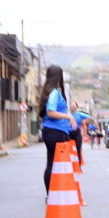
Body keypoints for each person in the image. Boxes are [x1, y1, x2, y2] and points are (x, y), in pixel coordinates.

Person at [38, 65, 77, 197]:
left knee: (52, 163)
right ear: (58, 77)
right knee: (56, 164)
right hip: (56, 132)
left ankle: (52, 194)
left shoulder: (50, 91)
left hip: (53, 131)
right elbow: (50, 112)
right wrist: (69, 116)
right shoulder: (54, 93)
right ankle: (53, 194)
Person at [69, 102, 91, 168]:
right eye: (72, 105)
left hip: (77, 132)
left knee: (78, 149)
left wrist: (84, 121)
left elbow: (89, 117)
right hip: (68, 132)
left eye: (74, 105)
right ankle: (69, 165)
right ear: (70, 106)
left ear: (76, 107)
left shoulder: (79, 114)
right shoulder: (67, 114)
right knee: (68, 149)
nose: (73, 107)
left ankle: (78, 166)